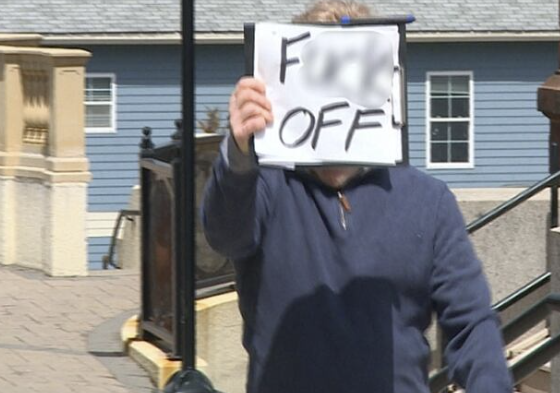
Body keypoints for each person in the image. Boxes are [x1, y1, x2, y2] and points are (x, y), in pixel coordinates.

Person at [201, 1, 512, 392]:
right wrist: (239, 154)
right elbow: (222, 236)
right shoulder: (265, 186)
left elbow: (470, 322)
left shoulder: (428, 200)